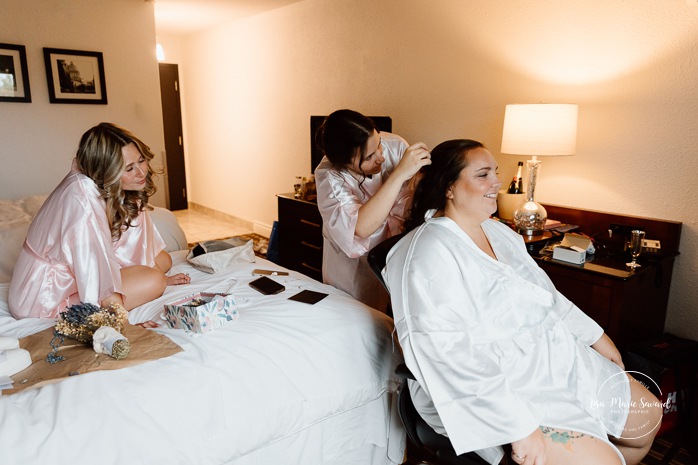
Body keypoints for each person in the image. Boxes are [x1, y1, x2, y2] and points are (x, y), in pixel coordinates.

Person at [384, 139, 662, 465]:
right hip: (494, 383)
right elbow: (442, 348)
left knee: (648, 420)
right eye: (483, 174)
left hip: (548, 357)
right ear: (449, 186)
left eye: (496, 173)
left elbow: (546, 296)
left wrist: (596, 337)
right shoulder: (428, 251)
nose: (497, 183)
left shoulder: (499, 232)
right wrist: (516, 424)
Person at [9, 122, 190, 321]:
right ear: (107, 170)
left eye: (141, 160)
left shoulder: (104, 183)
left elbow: (135, 244)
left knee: (163, 259)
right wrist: (119, 319)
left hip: (74, 271)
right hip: (43, 297)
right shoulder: (82, 198)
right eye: (129, 168)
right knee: (154, 279)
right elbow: (92, 269)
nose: (141, 173)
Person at [314, 109, 431, 310]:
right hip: (352, 266)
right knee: (358, 315)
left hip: (393, 250)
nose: (381, 158)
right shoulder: (329, 177)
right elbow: (361, 228)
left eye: (379, 145)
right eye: (369, 157)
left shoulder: (395, 146)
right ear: (343, 162)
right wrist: (399, 174)